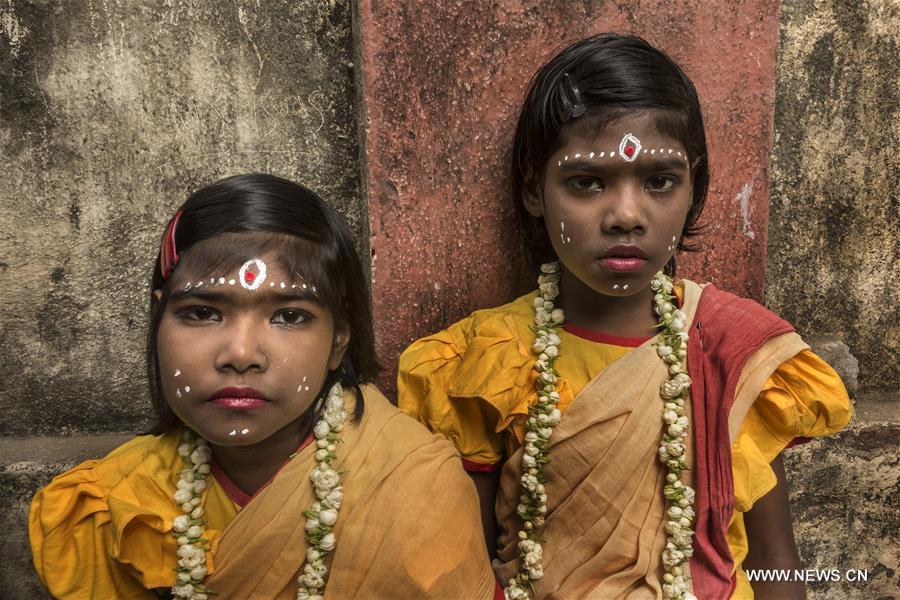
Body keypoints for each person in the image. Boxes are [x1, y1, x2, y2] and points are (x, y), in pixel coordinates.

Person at [398, 34, 851, 600]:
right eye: (586, 183)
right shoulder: (486, 360)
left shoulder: (735, 350)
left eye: (659, 181)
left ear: (696, 189)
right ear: (534, 190)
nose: (626, 216)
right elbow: (466, 571)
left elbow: (776, 565)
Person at [30, 174, 496, 599]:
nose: (240, 353)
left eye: (290, 316)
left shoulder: (415, 491)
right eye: (202, 312)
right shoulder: (115, 503)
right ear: (158, 319)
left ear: (338, 342)